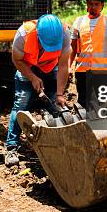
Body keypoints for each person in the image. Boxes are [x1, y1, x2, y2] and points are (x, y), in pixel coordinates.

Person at [5, 14, 71, 167]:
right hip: (27, 68)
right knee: (21, 105)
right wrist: (33, 77)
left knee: (56, 107)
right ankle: (12, 147)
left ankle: (60, 146)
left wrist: (60, 94)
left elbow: (63, 65)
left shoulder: (65, 33)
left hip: (51, 67)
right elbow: (16, 60)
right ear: (38, 35)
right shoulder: (23, 34)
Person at [69, 0, 107, 108]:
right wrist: (68, 67)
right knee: (83, 104)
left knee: (105, 104)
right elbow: (72, 48)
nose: (93, 7)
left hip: (103, 73)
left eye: (96, 4)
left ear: (102, 4)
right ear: (87, 3)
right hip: (83, 72)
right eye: (91, 3)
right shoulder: (78, 22)